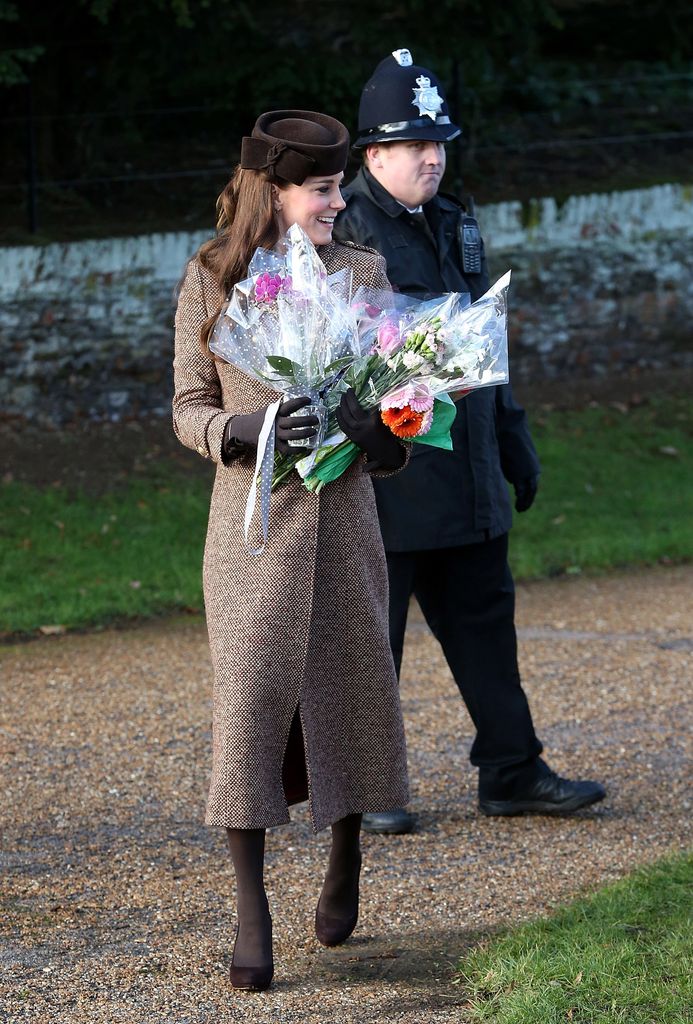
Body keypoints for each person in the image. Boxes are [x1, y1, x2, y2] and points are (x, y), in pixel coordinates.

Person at [334, 50, 606, 834]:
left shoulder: (455, 218)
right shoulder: (345, 232)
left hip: (471, 468)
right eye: (413, 144)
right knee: (370, 642)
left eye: (438, 142)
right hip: (392, 474)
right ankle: (366, 785)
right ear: (373, 153)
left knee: (488, 627)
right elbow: (349, 360)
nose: (431, 156)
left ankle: (511, 772)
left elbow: (484, 344)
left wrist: (513, 438)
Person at [172, 109, 409, 991]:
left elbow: (400, 416)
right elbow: (185, 406)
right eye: (323, 189)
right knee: (249, 709)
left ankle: (345, 850)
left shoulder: (363, 271)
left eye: (339, 186)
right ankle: (251, 904)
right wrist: (246, 425)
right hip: (251, 531)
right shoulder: (210, 276)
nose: (339, 203)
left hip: (345, 526)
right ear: (274, 191)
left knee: (350, 690)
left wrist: (374, 428)